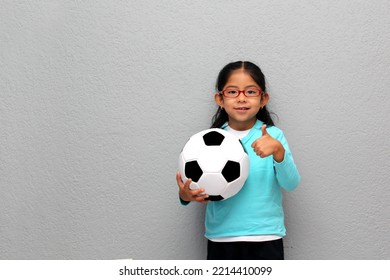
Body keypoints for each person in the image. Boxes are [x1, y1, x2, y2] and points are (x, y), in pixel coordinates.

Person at [176, 61, 301, 260]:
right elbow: (195, 188)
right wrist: (185, 196)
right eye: (233, 92)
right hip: (222, 238)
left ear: (263, 99)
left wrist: (278, 152)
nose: (241, 98)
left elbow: (291, 183)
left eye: (250, 92)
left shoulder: (273, 136)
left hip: (266, 236)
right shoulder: (207, 142)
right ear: (220, 99)